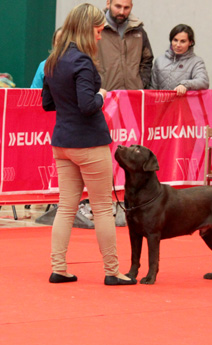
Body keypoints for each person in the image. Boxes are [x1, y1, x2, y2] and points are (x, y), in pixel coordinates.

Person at [42, 3, 136, 286]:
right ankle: (112, 270)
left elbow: (47, 104)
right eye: (98, 30)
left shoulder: (53, 61)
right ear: (87, 29)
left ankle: (59, 267)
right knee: (103, 208)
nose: (99, 36)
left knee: (66, 206)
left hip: (62, 142)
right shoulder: (82, 61)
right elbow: (87, 105)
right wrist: (102, 95)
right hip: (89, 143)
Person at [97, 0, 153, 91]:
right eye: (118, 6)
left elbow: (147, 59)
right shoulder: (95, 29)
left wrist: (141, 83)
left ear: (131, 6)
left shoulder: (139, 30)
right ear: (108, 4)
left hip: (133, 96)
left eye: (126, 8)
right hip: (104, 96)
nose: (122, 12)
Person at [151, 24, 209, 95]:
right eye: (175, 40)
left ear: (190, 42)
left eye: (183, 41)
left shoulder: (196, 62)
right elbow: (152, 88)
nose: (178, 45)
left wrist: (185, 85)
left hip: (184, 105)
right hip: (162, 105)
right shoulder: (159, 61)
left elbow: (203, 81)